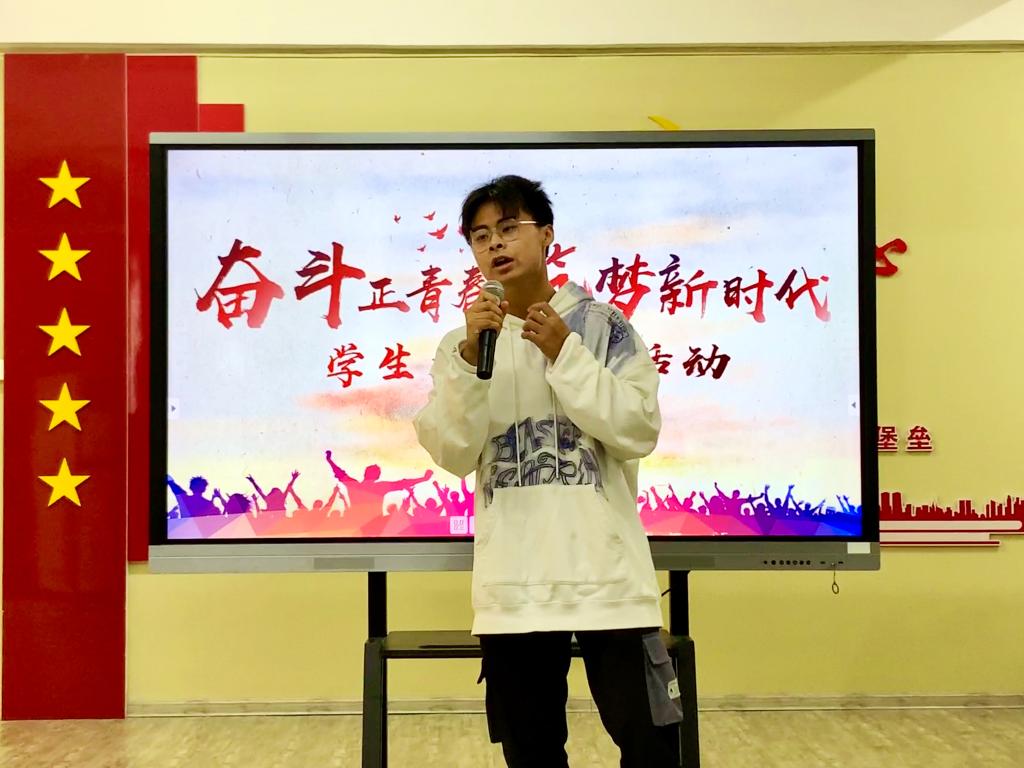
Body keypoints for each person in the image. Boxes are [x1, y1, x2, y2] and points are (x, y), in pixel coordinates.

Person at [414, 175, 682, 767]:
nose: (495, 244)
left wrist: (564, 352)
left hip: (609, 583)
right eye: (480, 235)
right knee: (531, 754)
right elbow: (452, 451)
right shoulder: (463, 345)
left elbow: (638, 428)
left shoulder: (602, 326)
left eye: (509, 228)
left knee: (652, 749)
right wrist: (468, 365)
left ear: (547, 236)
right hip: (514, 589)